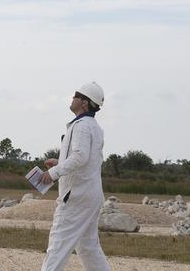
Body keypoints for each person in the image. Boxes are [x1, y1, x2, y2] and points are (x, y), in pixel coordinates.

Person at [38, 82, 109, 271]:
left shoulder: (82, 126)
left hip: (76, 196)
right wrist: (60, 161)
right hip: (90, 194)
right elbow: (86, 159)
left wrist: (53, 173)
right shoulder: (93, 126)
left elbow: (80, 156)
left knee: (58, 244)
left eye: (76, 95)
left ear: (85, 103)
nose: (72, 98)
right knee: (88, 248)